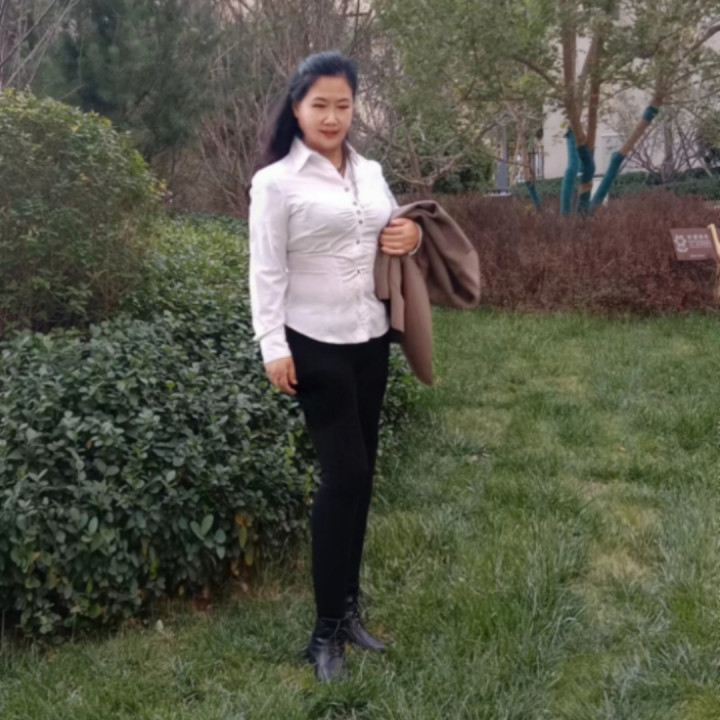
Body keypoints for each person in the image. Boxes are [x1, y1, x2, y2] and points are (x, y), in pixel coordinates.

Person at [248, 50, 421, 682]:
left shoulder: (370, 171)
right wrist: (272, 345)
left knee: (363, 475)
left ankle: (348, 611)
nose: (331, 116)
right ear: (296, 107)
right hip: (312, 341)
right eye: (319, 104)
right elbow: (266, 268)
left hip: (369, 337)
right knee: (343, 476)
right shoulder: (275, 183)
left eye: (342, 105)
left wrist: (410, 237)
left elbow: (394, 229)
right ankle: (323, 635)